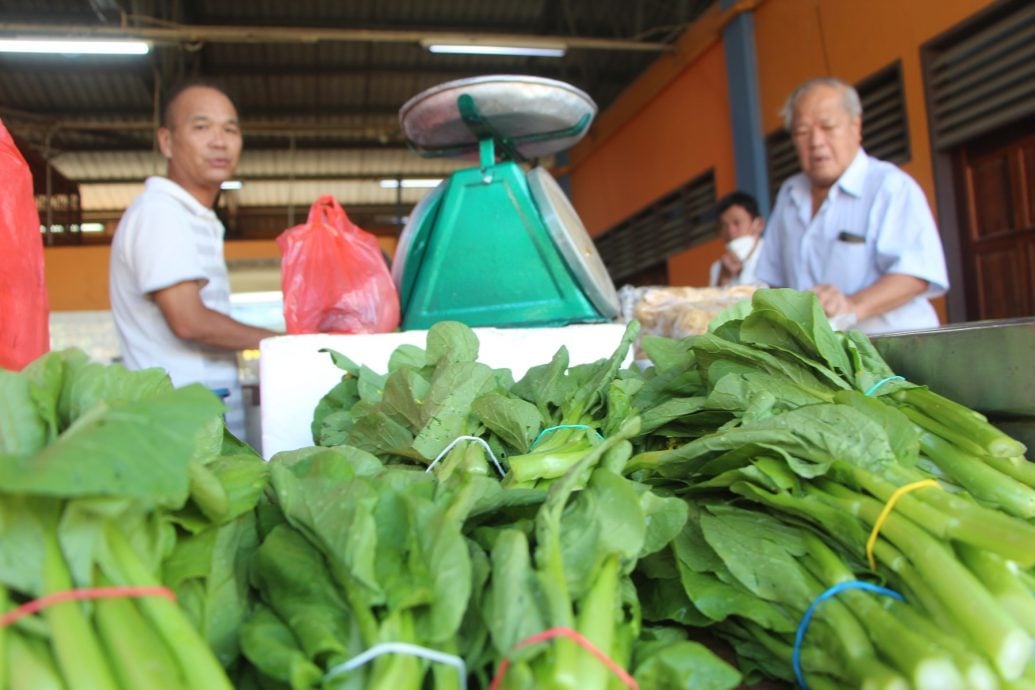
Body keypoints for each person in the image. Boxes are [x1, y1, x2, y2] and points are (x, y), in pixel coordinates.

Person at [109, 80, 277, 438]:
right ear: (167, 142)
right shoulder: (160, 212)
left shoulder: (196, 218)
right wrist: (284, 341)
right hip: (175, 432)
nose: (219, 141)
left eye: (230, 129)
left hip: (201, 427)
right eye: (201, 127)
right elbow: (189, 322)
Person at [753, 77, 949, 334]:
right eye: (802, 132)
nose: (816, 142)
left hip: (890, 350)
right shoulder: (789, 194)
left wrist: (851, 305)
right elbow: (772, 280)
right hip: (820, 358)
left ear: (856, 127)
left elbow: (916, 274)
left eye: (828, 127)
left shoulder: (890, 186)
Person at [709, 190, 766, 286]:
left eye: (737, 223)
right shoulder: (717, 268)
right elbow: (712, 300)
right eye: (724, 226)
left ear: (759, 225)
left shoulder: (773, 256)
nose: (730, 231)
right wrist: (723, 278)